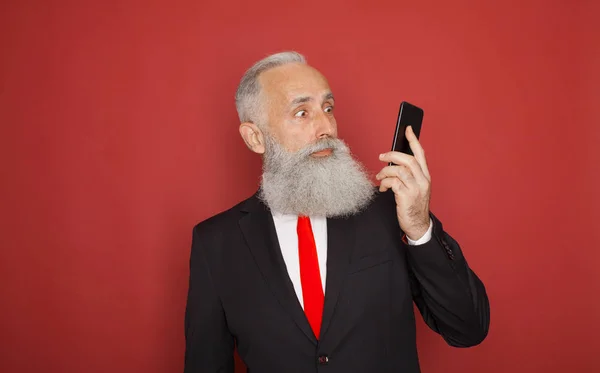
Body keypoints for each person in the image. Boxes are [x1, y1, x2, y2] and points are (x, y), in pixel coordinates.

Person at [183, 51, 490, 373]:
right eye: (302, 112)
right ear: (255, 137)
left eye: (328, 108)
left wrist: (418, 226)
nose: (326, 126)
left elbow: (467, 328)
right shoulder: (216, 242)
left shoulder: (390, 211)